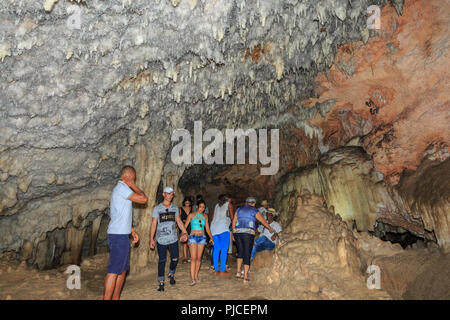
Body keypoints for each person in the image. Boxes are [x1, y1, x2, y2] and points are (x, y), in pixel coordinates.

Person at [103, 166, 148, 300]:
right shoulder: (122, 188)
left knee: (122, 270)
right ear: (128, 177)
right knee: (114, 270)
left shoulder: (122, 190)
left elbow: (120, 214)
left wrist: (131, 230)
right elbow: (143, 199)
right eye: (133, 179)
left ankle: (116, 298)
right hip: (117, 236)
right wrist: (134, 185)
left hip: (121, 234)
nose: (134, 181)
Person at [150, 187, 188, 292]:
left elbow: (179, 221)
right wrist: (151, 239)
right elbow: (154, 224)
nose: (171, 195)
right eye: (169, 194)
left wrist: (184, 231)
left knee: (175, 258)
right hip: (161, 239)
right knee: (162, 260)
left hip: (173, 238)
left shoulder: (175, 208)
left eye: (172, 194)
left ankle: (171, 273)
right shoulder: (157, 208)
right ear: (164, 194)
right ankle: (161, 282)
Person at [232, 196, 275, 283]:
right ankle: (245, 277)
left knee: (240, 251)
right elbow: (263, 221)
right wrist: (270, 228)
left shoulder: (239, 209)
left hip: (238, 232)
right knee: (247, 252)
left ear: (246, 202)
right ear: (254, 203)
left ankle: (238, 272)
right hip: (248, 233)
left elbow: (234, 221)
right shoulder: (254, 210)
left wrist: (233, 232)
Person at [184, 200, 214, 285]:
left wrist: (211, 238)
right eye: (200, 207)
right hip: (193, 236)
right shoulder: (191, 215)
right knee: (193, 258)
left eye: (203, 207)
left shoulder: (205, 216)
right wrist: (184, 234)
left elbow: (207, 228)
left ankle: (196, 276)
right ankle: (192, 278)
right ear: (197, 206)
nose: (202, 209)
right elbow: (185, 226)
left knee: (198, 258)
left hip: (202, 237)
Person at [210, 194, 234, 276]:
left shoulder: (216, 205)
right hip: (223, 229)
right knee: (224, 250)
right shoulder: (229, 205)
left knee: (216, 249)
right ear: (226, 199)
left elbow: (213, 217)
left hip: (214, 229)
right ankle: (223, 270)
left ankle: (216, 270)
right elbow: (232, 217)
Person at [179, 197, 193, 264]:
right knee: (184, 242)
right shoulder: (181, 208)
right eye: (186, 202)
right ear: (184, 202)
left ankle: (191, 256)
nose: (187, 203)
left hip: (190, 225)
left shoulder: (192, 208)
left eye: (188, 202)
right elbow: (178, 217)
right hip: (183, 225)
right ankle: (185, 257)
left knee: (190, 241)